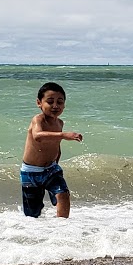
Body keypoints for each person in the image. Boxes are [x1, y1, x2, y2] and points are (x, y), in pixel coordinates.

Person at [21, 81, 82, 217]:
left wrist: (57, 160)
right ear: (39, 103)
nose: (55, 106)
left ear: (64, 105)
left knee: (63, 195)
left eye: (59, 102)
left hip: (51, 169)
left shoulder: (60, 123)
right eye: (50, 101)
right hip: (31, 172)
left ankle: (61, 227)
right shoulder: (38, 120)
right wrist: (64, 135)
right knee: (32, 214)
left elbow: (56, 145)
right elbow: (38, 136)